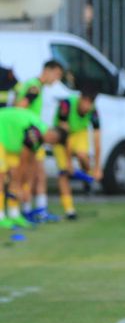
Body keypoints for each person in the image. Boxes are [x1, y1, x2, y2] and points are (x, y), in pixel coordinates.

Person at [13, 60, 67, 221]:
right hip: (31, 136)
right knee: (38, 174)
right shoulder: (35, 87)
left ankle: (29, 209)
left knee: (30, 173)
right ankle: (35, 211)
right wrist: (29, 124)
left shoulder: (32, 84)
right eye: (57, 75)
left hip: (29, 135)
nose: (56, 80)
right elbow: (20, 106)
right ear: (47, 70)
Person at [0, 106, 63, 229]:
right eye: (52, 140)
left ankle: (14, 214)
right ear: (51, 134)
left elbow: (30, 164)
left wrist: (26, 186)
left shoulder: (40, 137)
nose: (50, 143)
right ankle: (0, 216)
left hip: (10, 143)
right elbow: (23, 162)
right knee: (1, 177)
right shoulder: (35, 133)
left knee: (15, 175)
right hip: (1, 137)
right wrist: (18, 186)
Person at [52, 86, 102, 212]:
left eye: (90, 103)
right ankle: (69, 210)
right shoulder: (66, 105)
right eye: (86, 102)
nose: (87, 107)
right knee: (63, 172)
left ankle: (87, 175)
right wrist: (68, 162)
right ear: (80, 98)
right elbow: (65, 137)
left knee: (82, 156)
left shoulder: (93, 111)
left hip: (79, 132)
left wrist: (97, 167)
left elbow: (97, 141)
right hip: (60, 136)